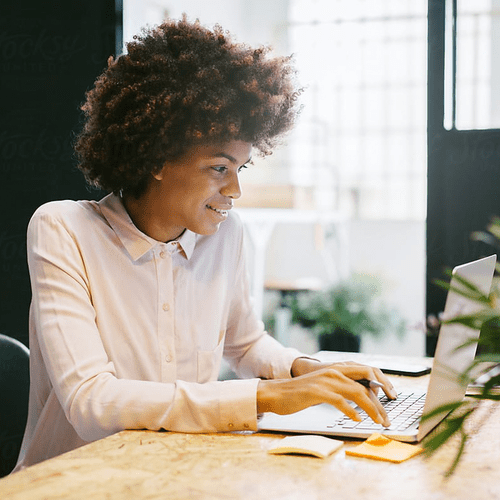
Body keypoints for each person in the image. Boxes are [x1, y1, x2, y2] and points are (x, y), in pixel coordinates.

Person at [14, 17, 396, 471]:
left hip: (180, 469)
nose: (235, 190)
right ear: (156, 157)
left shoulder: (224, 236)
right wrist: (267, 397)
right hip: (73, 480)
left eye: (242, 169)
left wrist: (304, 370)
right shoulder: (63, 229)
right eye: (220, 168)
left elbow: (247, 343)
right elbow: (92, 401)